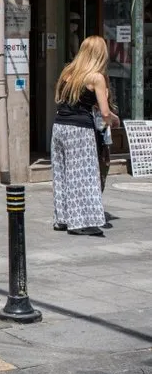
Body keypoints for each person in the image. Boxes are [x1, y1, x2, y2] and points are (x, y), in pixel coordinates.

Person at [52, 35, 120, 237]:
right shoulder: (96, 77)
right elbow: (104, 112)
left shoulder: (68, 72)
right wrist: (114, 120)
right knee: (83, 174)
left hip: (59, 127)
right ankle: (80, 221)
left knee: (62, 173)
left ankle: (62, 218)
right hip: (80, 129)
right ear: (100, 55)